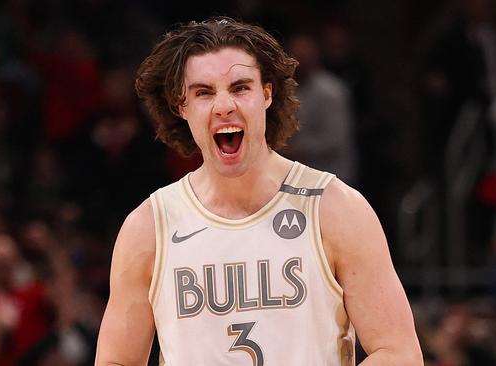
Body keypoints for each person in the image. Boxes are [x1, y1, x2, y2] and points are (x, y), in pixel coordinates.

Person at [94, 17, 422, 365]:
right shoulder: (149, 227)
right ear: (181, 105)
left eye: (239, 88)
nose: (224, 106)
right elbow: (116, 360)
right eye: (204, 92)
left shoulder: (335, 208)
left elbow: (398, 352)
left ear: (267, 92)